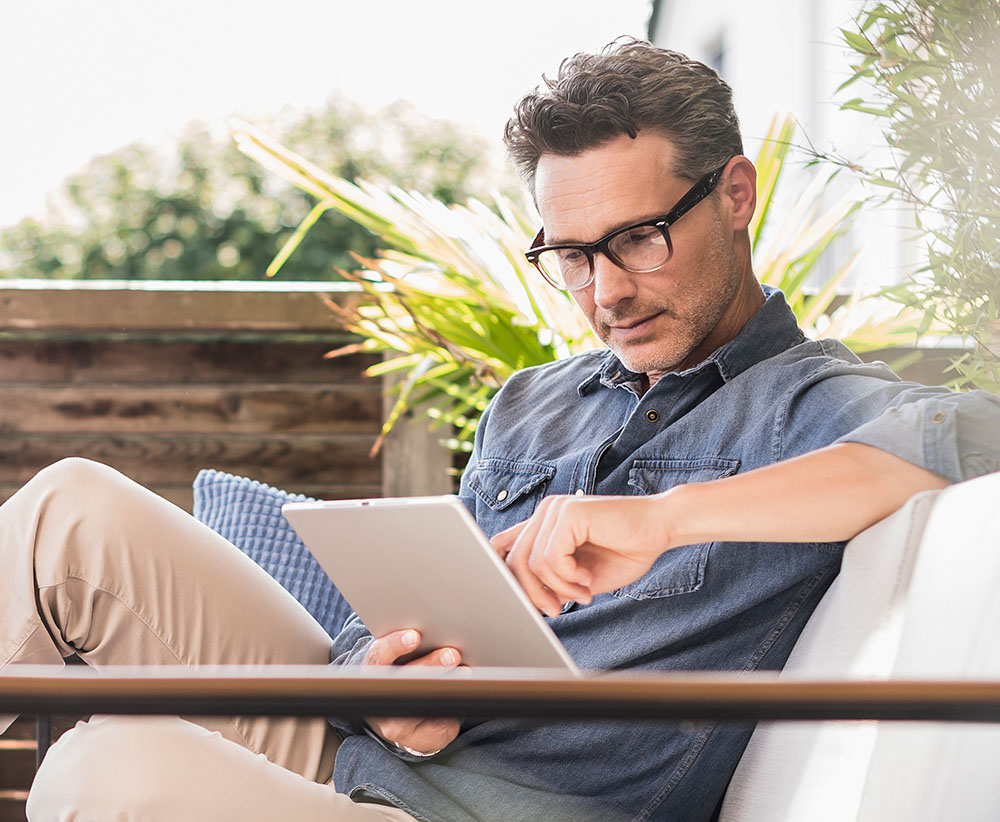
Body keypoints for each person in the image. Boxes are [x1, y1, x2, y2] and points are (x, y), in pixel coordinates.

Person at [8, 36, 1000, 822]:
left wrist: (662, 520)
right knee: (69, 509)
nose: (606, 291)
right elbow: (401, 613)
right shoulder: (531, 400)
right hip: (356, 750)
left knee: (113, 757)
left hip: (497, 812)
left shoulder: (812, 406)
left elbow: (974, 440)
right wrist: (387, 684)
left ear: (734, 196)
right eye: (570, 256)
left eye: (639, 239)